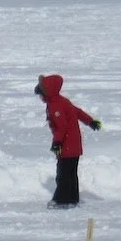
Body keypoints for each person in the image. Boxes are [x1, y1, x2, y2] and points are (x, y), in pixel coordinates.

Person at [34, 74, 101, 208]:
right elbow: (76, 111)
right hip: (73, 143)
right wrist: (90, 121)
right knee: (71, 173)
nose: (40, 97)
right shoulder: (61, 101)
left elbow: (61, 127)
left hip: (67, 144)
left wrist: (57, 143)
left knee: (63, 174)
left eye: (41, 94)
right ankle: (72, 198)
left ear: (47, 93)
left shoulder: (55, 106)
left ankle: (62, 200)